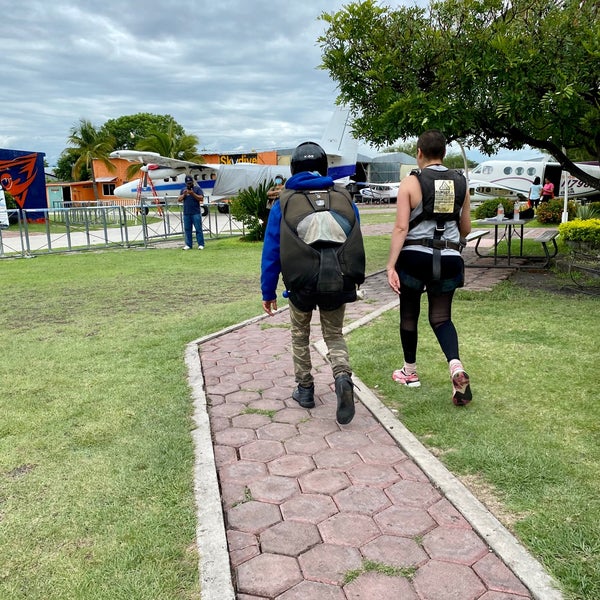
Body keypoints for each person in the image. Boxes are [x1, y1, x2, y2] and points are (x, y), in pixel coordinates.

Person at [261, 142, 366, 424]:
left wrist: (267, 290)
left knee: (300, 335)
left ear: (293, 168)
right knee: (334, 334)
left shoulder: (284, 201)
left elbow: (272, 250)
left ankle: (305, 389)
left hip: (301, 283)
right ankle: (342, 376)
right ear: (324, 168)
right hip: (338, 279)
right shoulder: (343, 196)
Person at [386, 130, 473, 406]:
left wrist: (390, 266)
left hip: (414, 257)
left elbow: (401, 227)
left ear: (419, 153)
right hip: (448, 258)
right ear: (444, 154)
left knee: (409, 314)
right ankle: (456, 367)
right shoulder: (461, 182)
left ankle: (409, 372)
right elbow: (466, 228)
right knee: (441, 318)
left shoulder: (410, 183)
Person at [178, 175, 205, 250]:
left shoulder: (197, 189)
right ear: (185, 183)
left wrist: (192, 193)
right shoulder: (183, 190)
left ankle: (201, 244)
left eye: (190, 183)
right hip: (187, 213)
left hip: (196, 212)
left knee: (198, 229)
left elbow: (201, 198)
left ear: (192, 182)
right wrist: (184, 194)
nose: (189, 185)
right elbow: (179, 199)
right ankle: (188, 244)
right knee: (187, 229)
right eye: (188, 183)